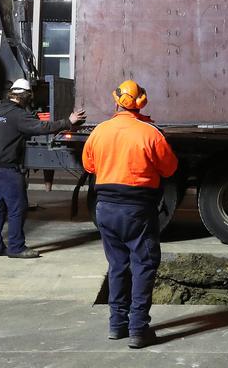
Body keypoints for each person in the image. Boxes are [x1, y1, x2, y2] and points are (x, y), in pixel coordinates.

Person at [83, 80, 178, 349]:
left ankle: (117, 325)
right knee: (144, 266)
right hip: (137, 210)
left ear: (115, 101)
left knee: (117, 266)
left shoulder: (99, 131)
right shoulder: (150, 134)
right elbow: (169, 169)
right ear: (142, 103)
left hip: (105, 209)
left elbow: (89, 165)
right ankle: (137, 329)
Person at [0, 77, 85, 259]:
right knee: (18, 207)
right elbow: (43, 127)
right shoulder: (19, 115)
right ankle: (16, 247)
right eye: (29, 97)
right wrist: (69, 121)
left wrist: (0, 140)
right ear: (24, 96)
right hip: (9, 168)